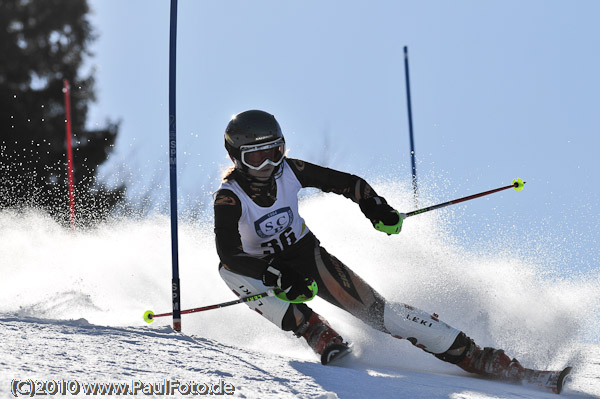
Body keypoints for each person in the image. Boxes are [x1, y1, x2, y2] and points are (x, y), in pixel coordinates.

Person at [213, 109, 525, 376]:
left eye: (274, 152)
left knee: (381, 314)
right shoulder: (230, 197)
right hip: (262, 269)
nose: (267, 165)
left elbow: (350, 183)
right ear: (236, 158)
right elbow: (229, 253)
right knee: (227, 270)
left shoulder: (292, 171)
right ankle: (313, 329)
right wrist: (277, 277)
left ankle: (473, 355)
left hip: (306, 255)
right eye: (255, 157)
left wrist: (375, 206)